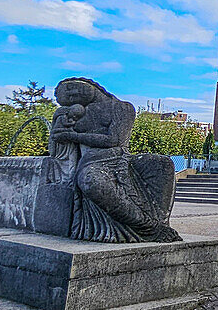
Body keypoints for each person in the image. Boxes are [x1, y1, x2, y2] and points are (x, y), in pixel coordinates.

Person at [51, 78, 181, 243]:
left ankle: (161, 222)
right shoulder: (76, 114)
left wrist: (74, 136)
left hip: (123, 158)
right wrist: (60, 122)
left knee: (162, 163)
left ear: (88, 82)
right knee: (91, 180)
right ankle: (148, 227)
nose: (74, 93)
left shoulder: (122, 107)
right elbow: (56, 146)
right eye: (70, 98)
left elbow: (114, 139)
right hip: (93, 162)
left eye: (72, 87)